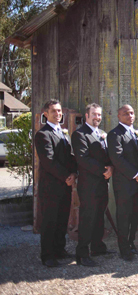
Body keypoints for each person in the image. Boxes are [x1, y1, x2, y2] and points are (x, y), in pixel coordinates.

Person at [34, 99, 78, 267]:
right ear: (46, 114)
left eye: (60, 111)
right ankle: (47, 255)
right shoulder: (43, 134)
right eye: (54, 111)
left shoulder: (63, 133)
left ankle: (60, 249)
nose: (58, 114)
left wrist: (74, 173)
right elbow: (48, 161)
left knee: (62, 219)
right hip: (51, 186)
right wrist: (66, 176)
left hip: (65, 185)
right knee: (49, 221)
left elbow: (70, 156)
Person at [71, 103, 115, 267]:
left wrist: (111, 167)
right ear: (87, 116)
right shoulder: (80, 134)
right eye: (94, 115)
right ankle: (82, 253)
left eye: (99, 115)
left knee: (99, 216)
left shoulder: (101, 133)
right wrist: (104, 171)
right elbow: (83, 159)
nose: (97, 118)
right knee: (87, 217)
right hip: (89, 184)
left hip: (102, 182)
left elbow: (106, 155)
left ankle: (97, 247)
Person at [107, 104, 138, 262]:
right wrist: (136, 174)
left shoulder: (137, 133)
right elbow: (117, 159)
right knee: (124, 216)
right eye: (125, 114)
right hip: (124, 183)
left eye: (131, 113)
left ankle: (131, 244)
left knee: (135, 215)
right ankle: (124, 249)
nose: (130, 116)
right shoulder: (115, 134)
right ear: (119, 116)